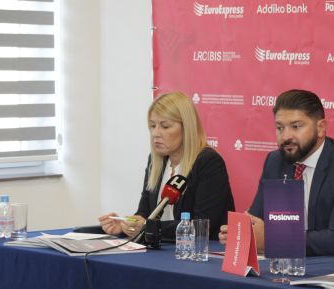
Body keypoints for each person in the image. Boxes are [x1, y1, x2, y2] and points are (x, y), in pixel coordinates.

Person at [220, 90, 334, 261]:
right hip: (300, 264)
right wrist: (242, 232)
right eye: (280, 128)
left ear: (321, 128)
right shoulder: (275, 161)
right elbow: (256, 219)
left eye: (296, 126)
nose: (286, 136)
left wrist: (273, 239)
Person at [98, 91, 234, 240]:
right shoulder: (156, 161)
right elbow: (144, 213)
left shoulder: (208, 161)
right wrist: (127, 225)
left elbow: (202, 225)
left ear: (186, 128)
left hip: (199, 251)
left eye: (165, 126)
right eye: (152, 126)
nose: (155, 133)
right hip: (161, 249)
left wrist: (148, 226)